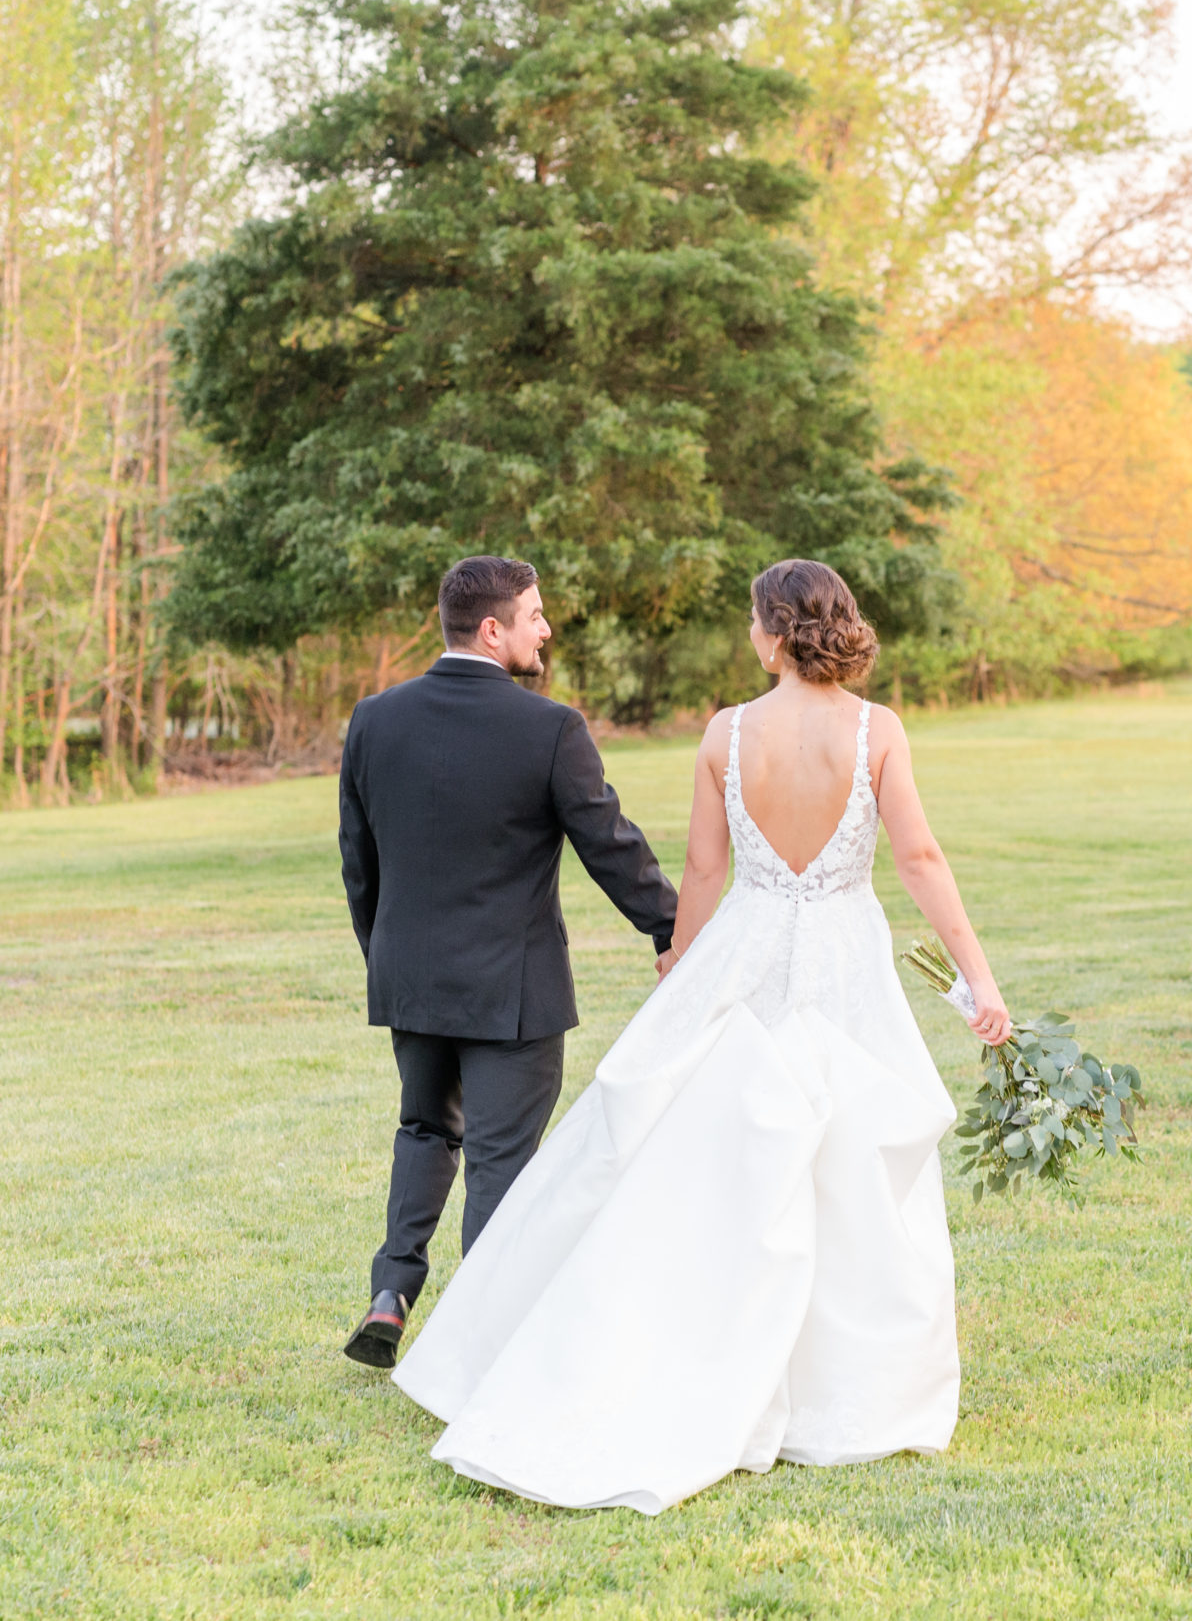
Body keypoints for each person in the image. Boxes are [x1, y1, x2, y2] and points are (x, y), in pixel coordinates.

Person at [389, 558, 1012, 1514]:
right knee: (849, 1158)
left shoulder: (726, 733)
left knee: (719, 1151)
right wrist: (980, 977)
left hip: (750, 949)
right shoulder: (876, 730)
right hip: (846, 953)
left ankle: (696, 1340)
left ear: (772, 630)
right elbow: (919, 856)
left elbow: (702, 868)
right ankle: (846, 1391)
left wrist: (682, 963)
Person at [335, 556, 678, 1369]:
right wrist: (673, 929)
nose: (545, 628)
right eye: (535, 614)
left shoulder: (374, 719)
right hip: (512, 992)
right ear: (493, 629)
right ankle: (477, 1350)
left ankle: (391, 1292)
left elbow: (359, 859)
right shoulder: (549, 728)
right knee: (499, 1159)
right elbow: (611, 845)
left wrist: (388, 953)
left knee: (423, 1128)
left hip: (412, 977)